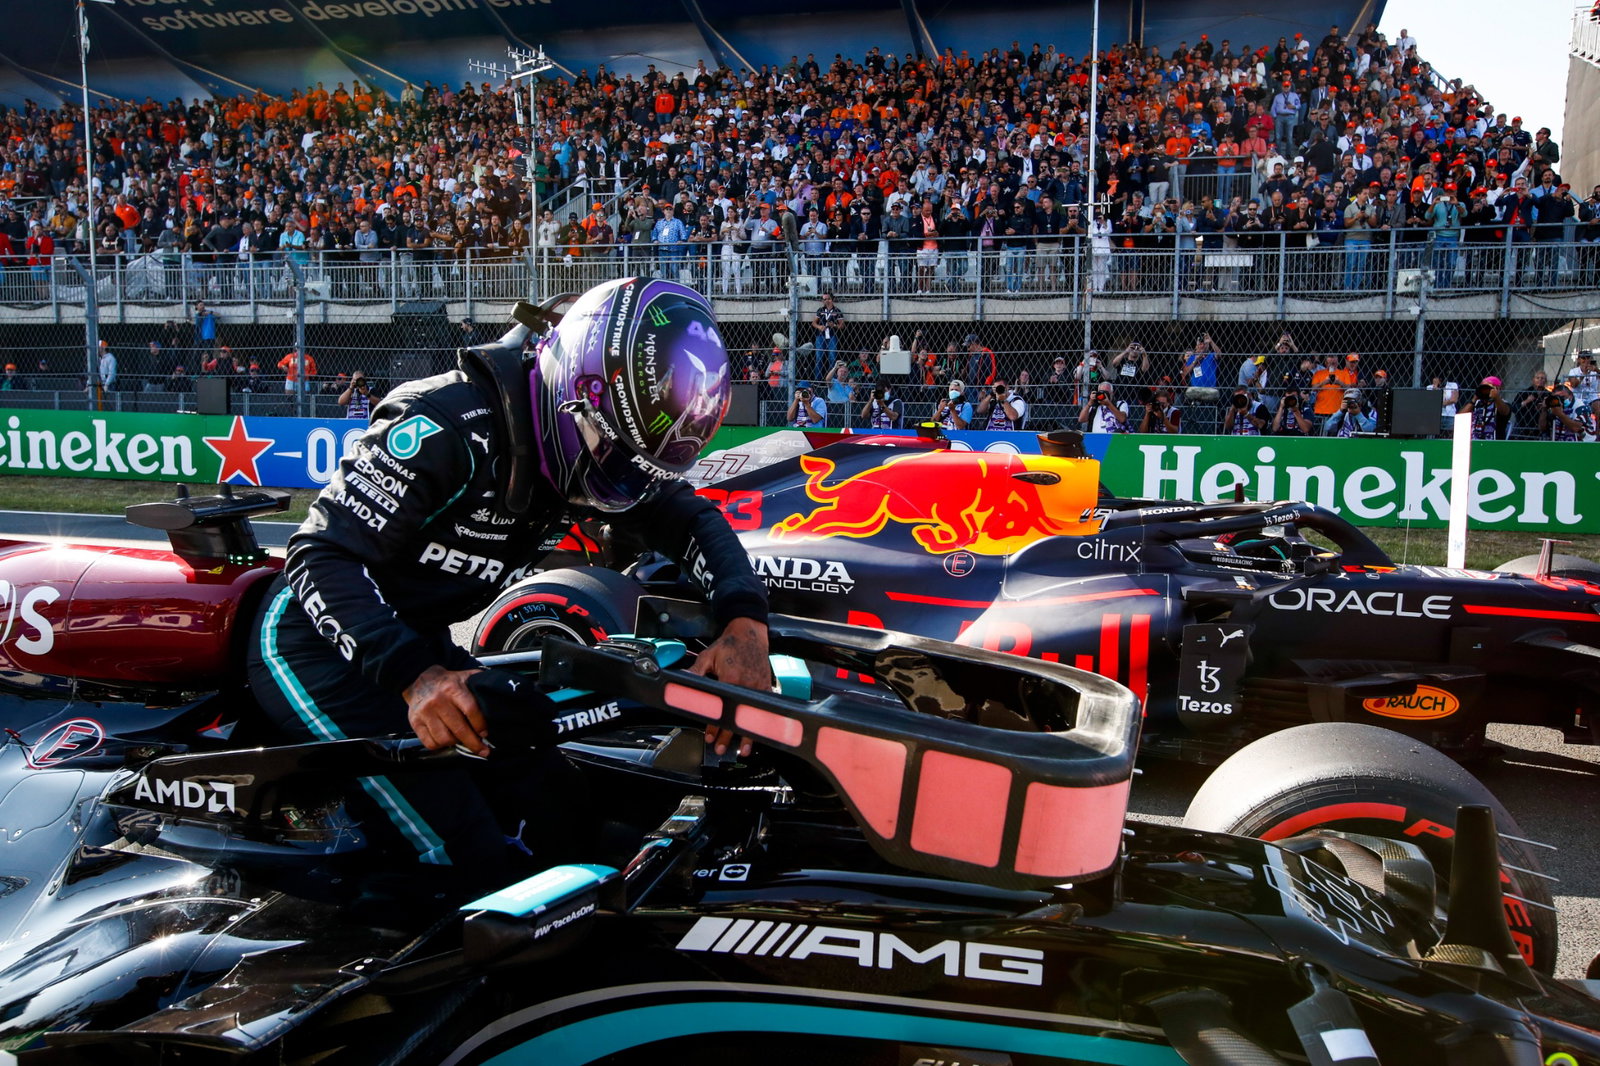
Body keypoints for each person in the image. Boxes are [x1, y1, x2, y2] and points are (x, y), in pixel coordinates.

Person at [245, 278, 770, 882]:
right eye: (616, 454)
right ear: (574, 393)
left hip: (423, 646)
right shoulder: (443, 425)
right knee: (464, 855)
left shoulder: (597, 439)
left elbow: (689, 517)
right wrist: (415, 678)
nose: (625, 479)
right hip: (314, 645)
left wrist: (744, 623)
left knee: (556, 807)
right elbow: (317, 553)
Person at [1458, 376, 1509, 440]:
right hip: (1474, 441)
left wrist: (1496, 397)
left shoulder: (1503, 404)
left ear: (1498, 389)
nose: (1486, 391)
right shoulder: (1477, 403)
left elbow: (1504, 412)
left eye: (1488, 389)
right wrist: (1474, 399)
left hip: (1494, 442)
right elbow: (1460, 417)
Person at [812, 292, 843, 381]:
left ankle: (831, 380)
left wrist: (834, 325)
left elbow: (842, 325)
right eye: (824, 299)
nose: (826, 301)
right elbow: (814, 323)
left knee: (832, 358)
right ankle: (817, 381)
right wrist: (819, 327)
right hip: (820, 336)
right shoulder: (820, 310)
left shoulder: (837, 311)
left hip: (832, 336)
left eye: (828, 299)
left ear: (832, 299)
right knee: (819, 358)